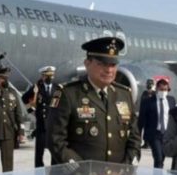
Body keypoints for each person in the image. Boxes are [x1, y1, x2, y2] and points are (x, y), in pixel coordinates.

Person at [47, 37, 141, 165]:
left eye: (112, 65)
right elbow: (55, 140)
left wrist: (123, 170)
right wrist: (85, 172)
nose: (108, 70)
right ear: (87, 63)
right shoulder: (68, 94)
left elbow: (134, 138)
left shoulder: (124, 94)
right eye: (102, 64)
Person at [137, 78, 176, 168]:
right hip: (154, 135)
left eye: (166, 90)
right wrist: (138, 136)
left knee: (162, 158)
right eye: (161, 89)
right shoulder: (148, 101)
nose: (163, 92)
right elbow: (141, 119)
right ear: (157, 89)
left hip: (167, 135)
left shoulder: (171, 100)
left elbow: (174, 118)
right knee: (158, 158)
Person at [22, 65, 56, 167]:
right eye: (47, 76)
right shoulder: (36, 88)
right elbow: (24, 98)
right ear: (42, 76)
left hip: (53, 125)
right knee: (39, 151)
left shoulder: (57, 88)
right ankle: (39, 172)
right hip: (41, 124)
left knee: (54, 151)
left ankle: (54, 171)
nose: (49, 78)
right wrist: (31, 110)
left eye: (51, 76)